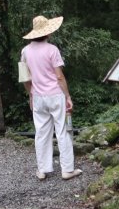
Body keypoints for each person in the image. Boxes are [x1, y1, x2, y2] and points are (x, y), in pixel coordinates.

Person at [21, 15, 82, 180]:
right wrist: (68, 96)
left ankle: (42, 169)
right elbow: (60, 77)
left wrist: (31, 95)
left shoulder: (25, 51)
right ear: (47, 32)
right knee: (62, 130)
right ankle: (67, 169)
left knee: (41, 132)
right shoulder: (52, 49)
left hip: (38, 96)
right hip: (55, 95)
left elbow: (24, 78)